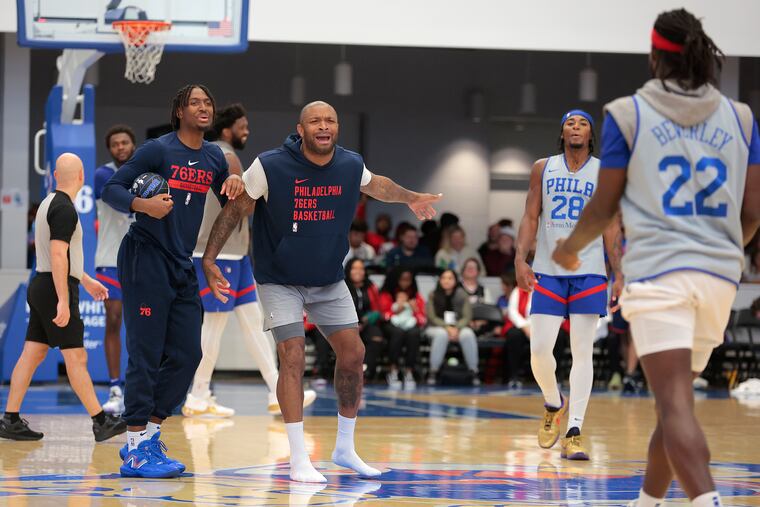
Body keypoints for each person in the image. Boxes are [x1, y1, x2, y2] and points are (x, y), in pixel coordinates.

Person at [552, 9, 760, 506]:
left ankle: (707, 500)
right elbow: (752, 213)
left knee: (673, 406)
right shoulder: (742, 116)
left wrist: (569, 247)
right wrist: (720, 253)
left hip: (661, 273)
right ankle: (647, 502)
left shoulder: (628, 112)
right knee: (676, 405)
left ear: (654, 57)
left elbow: (603, 205)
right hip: (719, 277)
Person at [200, 100, 441, 483]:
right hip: (279, 278)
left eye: (330, 120)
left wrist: (411, 197)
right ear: (301, 129)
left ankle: (345, 448)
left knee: (354, 352)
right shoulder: (270, 164)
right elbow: (235, 208)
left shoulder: (349, 163)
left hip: (328, 278)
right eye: (315, 121)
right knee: (292, 355)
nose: (324, 126)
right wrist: (210, 257)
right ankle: (298, 458)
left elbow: (377, 185)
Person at [102, 84, 245, 478]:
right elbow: (110, 188)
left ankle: (149, 434)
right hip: (144, 256)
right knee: (146, 354)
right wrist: (142, 205)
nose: (204, 107)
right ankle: (134, 448)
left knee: (188, 355)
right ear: (179, 111)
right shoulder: (157, 150)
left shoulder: (214, 155)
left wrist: (233, 183)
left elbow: (231, 198)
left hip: (182, 263)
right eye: (195, 102)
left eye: (208, 102)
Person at [185, 103, 316, 418]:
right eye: (243, 126)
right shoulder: (226, 155)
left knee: (254, 325)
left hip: (234, 253)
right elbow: (242, 204)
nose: (247, 131)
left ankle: (275, 390)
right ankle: (196, 395)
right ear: (228, 128)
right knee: (213, 327)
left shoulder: (215, 152)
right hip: (220, 253)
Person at [515, 108, 623, 461]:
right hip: (548, 268)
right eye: (569, 123)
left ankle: (574, 430)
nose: (575, 128)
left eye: (583, 123)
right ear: (562, 133)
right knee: (540, 350)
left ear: (591, 135)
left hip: (590, 270)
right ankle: (552, 402)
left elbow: (611, 225)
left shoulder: (605, 171)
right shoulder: (542, 168)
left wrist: (618, 270)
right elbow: (531, 216)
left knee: (582, 351)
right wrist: (520, 258)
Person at [0, 153, 126, 442]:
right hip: (53, 288)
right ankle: (101, 421)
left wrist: (87, 279)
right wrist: (62, 298)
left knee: (33, 353)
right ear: (82, 176)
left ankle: (10, 418)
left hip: (41, 284)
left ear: (56, 176)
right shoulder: (65, 209)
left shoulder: (48, 203)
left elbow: (58, 255)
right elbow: (58, 254)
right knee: (76, 356)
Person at [94, 124, 137, 415]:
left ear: (133, 145)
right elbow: (122, 204)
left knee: (141, 324)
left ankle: (138, 388)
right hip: (109, 258)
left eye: (125, 142)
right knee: (114, 318)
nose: (120, 147)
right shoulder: (103, 175)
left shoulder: (146, 173)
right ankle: (114, 387)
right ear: (110, 149)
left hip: (140, 259)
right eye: (115, 144)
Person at [425, 269, 480, 386]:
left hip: (458, 327)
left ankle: (473, 371)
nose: (446, 281)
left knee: (468, 334)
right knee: (441, 334)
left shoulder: (462, 294)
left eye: (450, 278)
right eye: (444, 278)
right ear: (439, 280)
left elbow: (467, 316)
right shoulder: (433, 295)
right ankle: (433, 371)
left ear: (455, 281)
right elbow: (432, 317)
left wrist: (457, 328)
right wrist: (447, 327)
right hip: (436, 327)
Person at [379, 267, 426, 390]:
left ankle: (409, 370)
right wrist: (396, 311)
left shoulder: (415, 295)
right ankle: (393, 369)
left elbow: (421, 317)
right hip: (391, 323)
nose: (405, 283)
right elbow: (383, 314)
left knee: (414, 333)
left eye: (408, 280)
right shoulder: (387, 293)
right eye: (402, 280)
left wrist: (414, 310)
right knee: (397, 333)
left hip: (410, 323)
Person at [344, 258, 385, 382]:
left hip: (366, 323)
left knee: (377, 336)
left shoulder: (370, 286)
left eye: (361, 268)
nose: (358, 271)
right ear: (349, 270)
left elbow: (378, 309)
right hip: (346, 323)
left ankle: (365, 369)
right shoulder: (342, 286)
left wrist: (369, 318)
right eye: (355, 268)